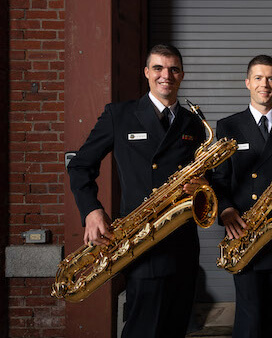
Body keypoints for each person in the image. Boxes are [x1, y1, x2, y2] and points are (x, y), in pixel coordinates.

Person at [68, 44, 207, 338]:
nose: (165, 75)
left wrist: (204, 186)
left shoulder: (194, 121)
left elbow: (206, 176)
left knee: (175, 329)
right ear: (146, 73)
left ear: (182, 75)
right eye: (158, 68)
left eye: (173, 69)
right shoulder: (120, 115)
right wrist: (91, 211)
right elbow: (80, 166)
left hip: (183, 245)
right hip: (142, 245)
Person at [212, 55, 272, 338]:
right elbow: (218, 179)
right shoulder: (228, 126)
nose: (264, 84)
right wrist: (226, 210)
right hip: (244, 232)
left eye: (270, 78)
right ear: (247, 83)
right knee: (250, 316)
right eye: (258, 78)